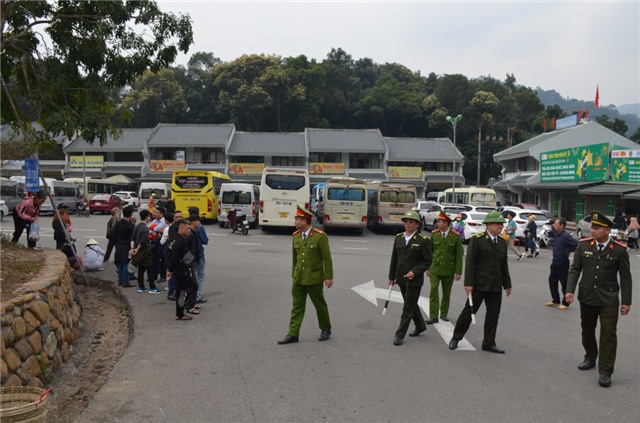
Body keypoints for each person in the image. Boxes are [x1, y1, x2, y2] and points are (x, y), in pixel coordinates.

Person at [566, 210, 632, 388]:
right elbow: (575, 269)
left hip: (609, 298)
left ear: (607, 230)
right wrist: (569, 290)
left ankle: (605, 371)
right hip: (587, 296)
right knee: (587, 330)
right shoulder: (583, 246)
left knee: (608, 335)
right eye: (592, 227)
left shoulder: (619, 250)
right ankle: (590, 357)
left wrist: (626, 301)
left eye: (597, 228)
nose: (593, 230)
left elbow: (626, 277)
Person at [449, 211, 512, 354]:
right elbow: (470, 263)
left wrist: (507, 284)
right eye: (497, 224)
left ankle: (489, 342)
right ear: (488, 225)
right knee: (469, 312)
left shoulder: (502, 242)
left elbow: (504, 265)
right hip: (479, 284)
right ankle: (456, 337)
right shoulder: (477, 240)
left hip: (495, 284)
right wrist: (468, 283)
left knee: (493, 315)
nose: (500, 227)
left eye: (501, 224)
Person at [278, 205, 334, 345]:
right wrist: (293, 274)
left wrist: (328, 277)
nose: (294, 221)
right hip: (299, 278)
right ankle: (293, 333)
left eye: (297, 219)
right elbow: (294, 258)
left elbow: (326, 258)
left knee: (319, 305)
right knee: (297, 306)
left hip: (314, 278)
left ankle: (325, 328)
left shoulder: (320, 237)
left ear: (304, 221)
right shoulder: (296, 236)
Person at [388, 210, 432, 346]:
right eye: (406, 222)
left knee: (407, 308)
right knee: (411, 304)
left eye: (411, 222)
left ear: (417, 224)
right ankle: (420, 325)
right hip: (401, 278)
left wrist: (415, 272)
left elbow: (427, 261)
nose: (407, 224)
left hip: (414, 280)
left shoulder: (423, 241)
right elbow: (394, 259)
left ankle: (399, 335)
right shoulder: (399, 237)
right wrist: (391, 276)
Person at [426, 212, 463, 324]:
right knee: (433, 290)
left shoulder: (455, 236)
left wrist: (458, 271)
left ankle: (443, 313)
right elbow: (429, 252)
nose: (437, 223)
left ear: (446, 223)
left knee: (446, 293)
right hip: (435, 268)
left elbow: (458, 256)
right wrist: (428, 267)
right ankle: (433, 316)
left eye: (439, 222)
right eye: (437, 221)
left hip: (448, 269)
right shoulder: (434, 234)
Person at [167, 219, 199, 321]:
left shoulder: (179, 239)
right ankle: (180, 314)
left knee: (192, 286)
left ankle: (182, 308)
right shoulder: (179, 241)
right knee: (182, 291)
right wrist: (170, 270)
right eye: (188, 228)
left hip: (183, 269)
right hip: (181, 271)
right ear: (181, 228)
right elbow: (174, 257)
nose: (189, 231)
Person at [546, 217, 579, 310]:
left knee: (564, 283)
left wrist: (568, 250)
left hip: (563, 262)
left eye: (556, 224)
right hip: (555, 261)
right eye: (554, 224)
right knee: (552, 281)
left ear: (562, 226)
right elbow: (549, 232)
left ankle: (565, 303)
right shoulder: (557, 234)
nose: (554, 225)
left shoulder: (566, 236)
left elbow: (578, 245)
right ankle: (556, 300)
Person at [130, 209, 161, 294]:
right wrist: (137, 249)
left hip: (139, 253)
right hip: (146, 251)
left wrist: (133, 249)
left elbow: (132, 238)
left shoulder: (137, 226)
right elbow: (143, 241)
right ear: (147, 217)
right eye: (149, 216)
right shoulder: (145, 228)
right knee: (150, 269)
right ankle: (152, 287)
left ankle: (141, 287)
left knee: (141, 270)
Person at [189, 213, 209, 304]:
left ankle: (191, 296)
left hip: (189, 257)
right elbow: (205, 241)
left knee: (191, 276)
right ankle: (197, 296)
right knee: (199, 275)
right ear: (195, 221)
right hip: (198, 256)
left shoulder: (186, 229)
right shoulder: (199, 228)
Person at [164, 209, 183, 301]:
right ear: (174, 218)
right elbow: (173, 241)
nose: (179, 218)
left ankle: (179, 292)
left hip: (182, 256)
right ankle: (171, 293)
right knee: (172, 274)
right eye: (177, 217)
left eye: (180, 217)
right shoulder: (172, 228)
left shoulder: (185, 226)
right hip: (172, 255)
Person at [114, 206, 135, 287]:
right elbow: (132, 237)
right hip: (126, 246)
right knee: (126, 263)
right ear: (130, 214)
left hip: (119, 245)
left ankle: (120, 280)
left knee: (120, 264)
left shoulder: (118, 223)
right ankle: (125, 282)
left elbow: (114, 234)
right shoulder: (130, 225)